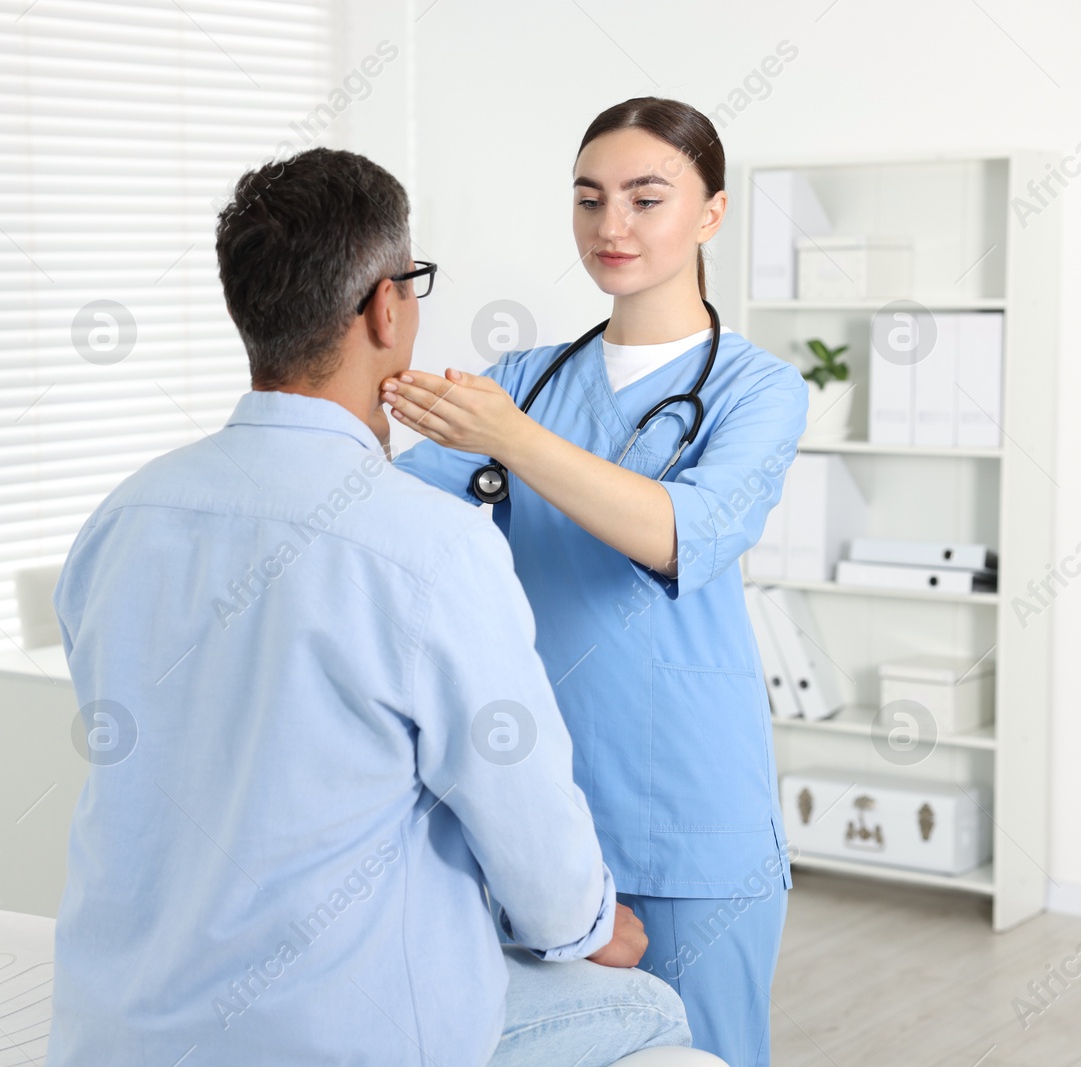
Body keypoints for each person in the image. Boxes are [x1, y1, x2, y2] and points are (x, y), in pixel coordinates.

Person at [48, 146, 692, 1066]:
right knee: (651, 1004)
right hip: (331, 1039)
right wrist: (589, 928)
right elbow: (525, 818)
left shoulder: (123, 515)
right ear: (387, 307)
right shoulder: (431, 544)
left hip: (117, 1031)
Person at [382, 97, 805, 1067]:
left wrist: (511, 443)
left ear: (710, 213)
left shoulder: (756, 388)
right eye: (588, 199)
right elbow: (395, 522)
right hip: (535, 808)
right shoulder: (525, 379)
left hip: (691, 810)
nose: (609, 226)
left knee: (702, 1054)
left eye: (644, 198)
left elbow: (678, 536)